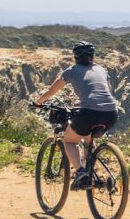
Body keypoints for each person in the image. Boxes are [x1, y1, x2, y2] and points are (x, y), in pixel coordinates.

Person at [33, 41, 119, 190]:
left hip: (89, 113)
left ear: (75, 57)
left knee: (69, 141)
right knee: (88, 138)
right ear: (92, 56)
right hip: (111, 113)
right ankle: (90, 170)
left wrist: (39, 102)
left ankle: (80, 172)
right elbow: (108, 92)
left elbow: (52, 90)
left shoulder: (71, 71)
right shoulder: (101, 70)